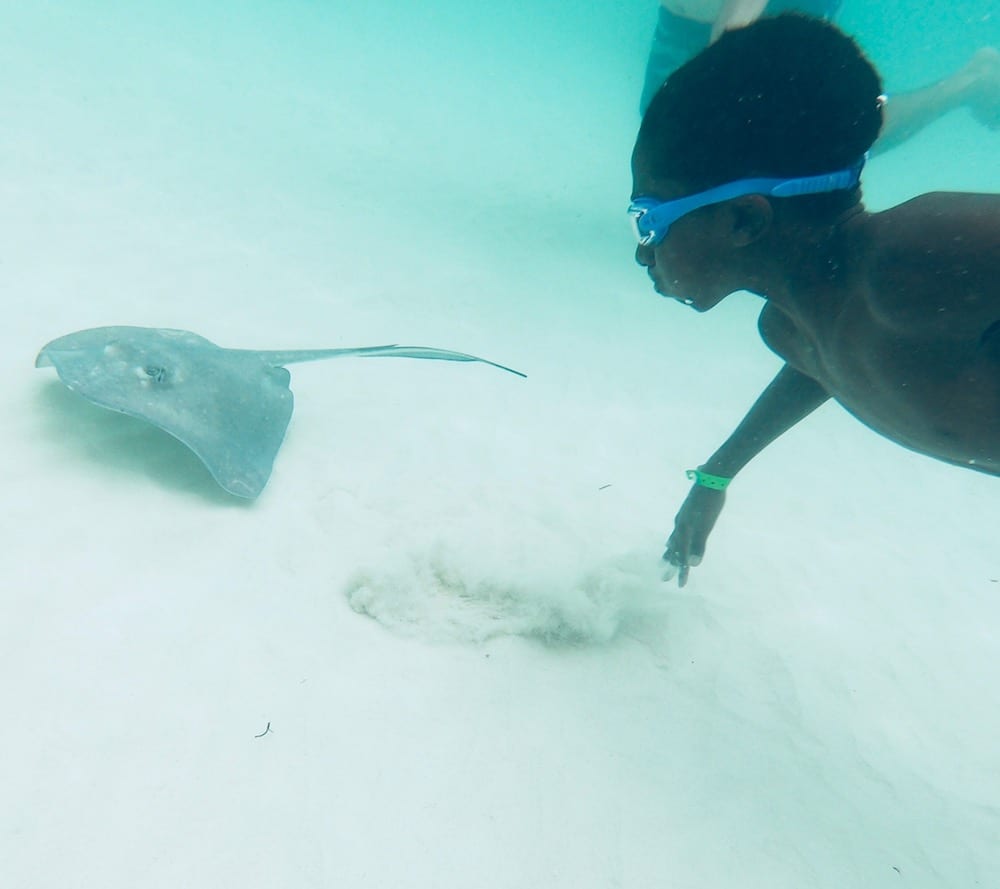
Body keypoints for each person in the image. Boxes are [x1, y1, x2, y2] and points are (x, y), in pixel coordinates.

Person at [628, 14, 1000, 585]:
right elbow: (829, 364)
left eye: (648, 221)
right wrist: (715, 477)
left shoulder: (913, 260)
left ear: (743, 218)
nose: (643, 252)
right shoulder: (794, 328)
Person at [640, 1, 1000, 152]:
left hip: (735, 26)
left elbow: (732, 51)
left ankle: (968, 83)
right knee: (671, 135)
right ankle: (969, 82)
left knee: (815, 145)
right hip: (695, 27)